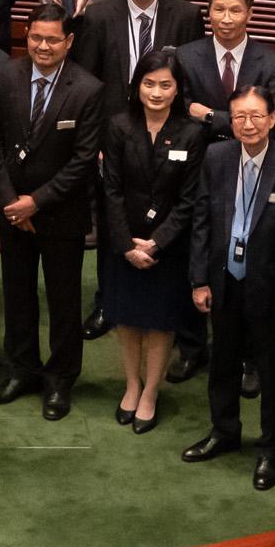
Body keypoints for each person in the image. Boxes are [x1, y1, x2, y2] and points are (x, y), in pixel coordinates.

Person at [76, 0, 202, 352]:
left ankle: (170, 306)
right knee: (111, 217)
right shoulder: (99, 16)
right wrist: (93, 139)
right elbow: (88, 83)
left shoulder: (185, 16)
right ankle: (106, 303)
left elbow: (187, 82)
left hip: (169, 137)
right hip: (115, 137)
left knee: (165, 216)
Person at [0, 7, 103, 417]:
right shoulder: (5, 77)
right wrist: (11, 203)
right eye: (36, 38)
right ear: (26, 36)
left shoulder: (88, 89)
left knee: (64, 301)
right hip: (12, 210)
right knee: (17, 295)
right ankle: (22, 370)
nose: (43, 46)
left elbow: (84, 161)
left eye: (52, 39)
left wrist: (36, 201)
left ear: (68, 42)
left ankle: (59, 380)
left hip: (60, 215)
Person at [183, 84, 275, 488]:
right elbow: (201, 219)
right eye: (239, 117)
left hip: (268, 285)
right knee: (222, 361)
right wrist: (199, 279)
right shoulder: (216, 157)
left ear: (272, 119)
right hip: (223, 279)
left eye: (256, 116)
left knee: (271, 370)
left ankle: (271, 448)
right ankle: (224, 431)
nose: (247, 125)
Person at [100, 49, 207, 430]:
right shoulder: (118, 126)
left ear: (178, 90)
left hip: (169, 247)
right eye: (149, 83)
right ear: (137, 86)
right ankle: (131, 385)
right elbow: (109, 189)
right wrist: (127, 244)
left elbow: (190, 200)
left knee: (160, 323)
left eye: (165, 85)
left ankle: (150, 393)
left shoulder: (192, 134)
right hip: (123, 240)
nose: (156, 92)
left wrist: (156, 243)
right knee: (127, 319)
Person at [175, 0, 275, 142]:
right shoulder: (184, 56)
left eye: (235, 11)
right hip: (198, 156)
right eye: (219, 9)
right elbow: (180, 118)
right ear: (209, 12)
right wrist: (245, 121)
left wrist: (209, 115)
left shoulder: (272, 63)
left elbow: (271, 124)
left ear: (249, 14)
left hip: (247, 154)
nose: (226, 19)